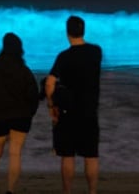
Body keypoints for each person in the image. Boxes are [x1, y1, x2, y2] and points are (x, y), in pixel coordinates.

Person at [45, 15, 103, 194]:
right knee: (91, 156)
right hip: (89, 110)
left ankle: (67, 192)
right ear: (83, 31)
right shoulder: (96, 52)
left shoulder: (63, 57)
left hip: (67, 110)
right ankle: (92, 192)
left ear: (67, 33)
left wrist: (51, 105)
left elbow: (49, 83)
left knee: (68, 155)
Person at [0, 32, 40, 194]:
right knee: (15, 154)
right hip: (21, 117)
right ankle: (10, 191)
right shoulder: (24, 71)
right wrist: (30, 113)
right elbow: (33, 95)